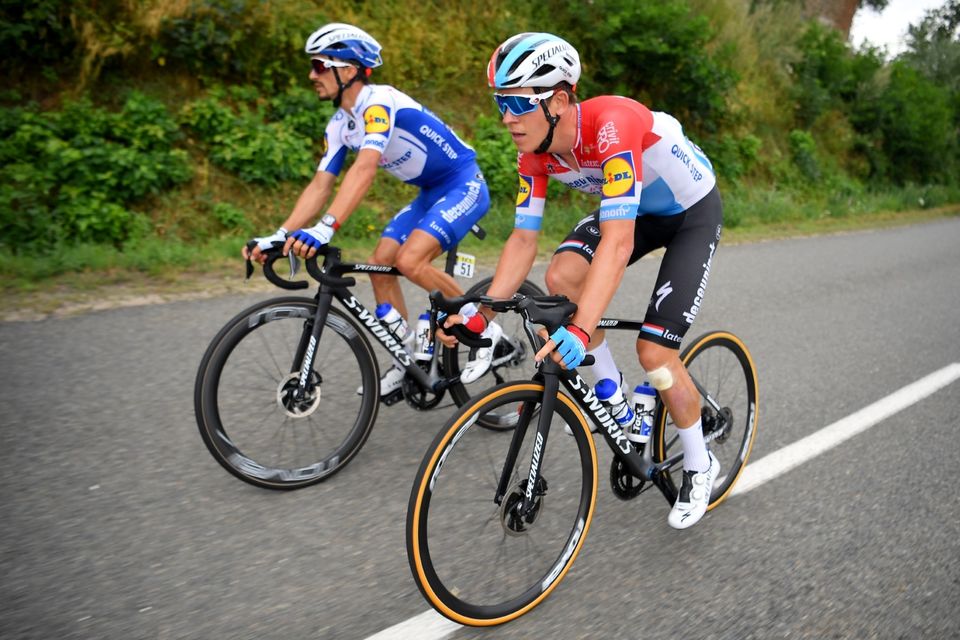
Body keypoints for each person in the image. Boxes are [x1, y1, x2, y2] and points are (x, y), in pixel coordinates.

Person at [442, 32, 724, 529]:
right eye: (498, 103)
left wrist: (577, 331)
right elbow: (522, 241)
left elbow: (616, 244)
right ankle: (616, 403)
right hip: (636, 212)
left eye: (515, 103)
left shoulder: (612, 126)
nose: (506, 117)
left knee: (655, 355)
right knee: (562, 275)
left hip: (690, 214)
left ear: (559, 100)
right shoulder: (533, 151)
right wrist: (481, 312)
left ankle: (701, 464)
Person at [244, 23, 501, 396]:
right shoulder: (340, 124)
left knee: (411, 260)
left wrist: (326, 227)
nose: (310, 75)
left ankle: (487, 332)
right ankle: (407, 359)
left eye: (318, 66)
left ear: (347, 70)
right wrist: (281, 234)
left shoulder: (379, 103)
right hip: (430, 192)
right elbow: (321, 184)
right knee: (382, 265)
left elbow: (365, 167)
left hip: (464, 184)